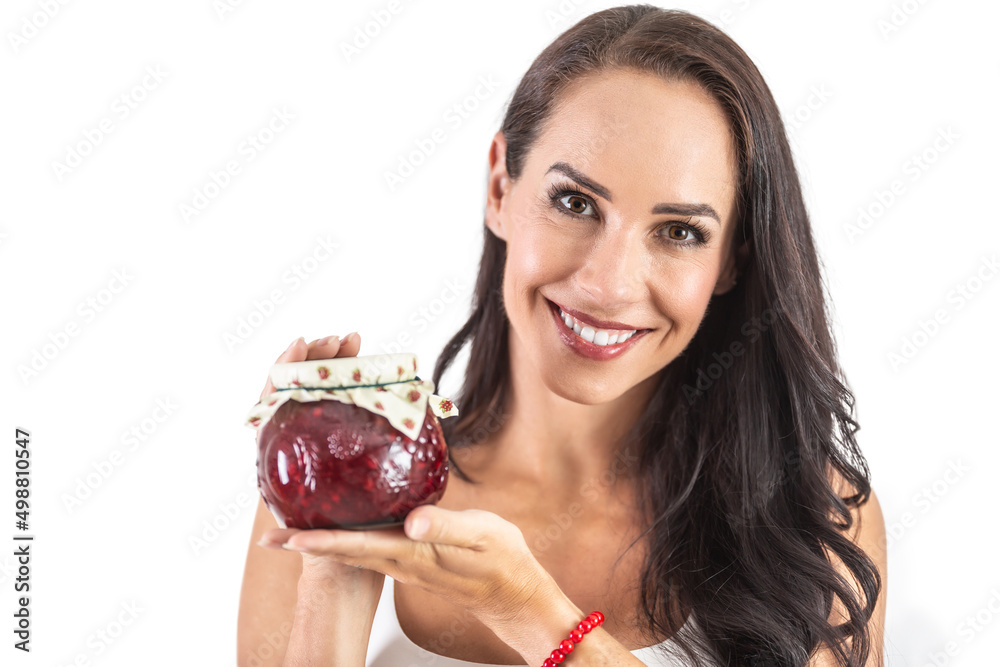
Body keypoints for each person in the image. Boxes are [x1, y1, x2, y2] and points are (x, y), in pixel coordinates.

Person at [237, 5, 887, 666]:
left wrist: (525, 607)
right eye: (575, 202)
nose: (608, 285)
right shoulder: (325, 489)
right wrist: (336, 567)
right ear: (500, 186)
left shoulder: (811, 517)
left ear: (731, 261)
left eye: (679, 232)